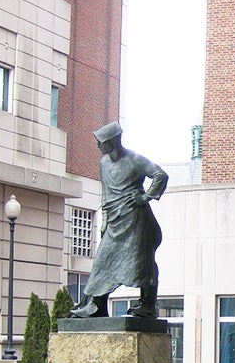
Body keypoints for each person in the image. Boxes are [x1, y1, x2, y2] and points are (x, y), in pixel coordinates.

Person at [71, 121, 169, 319]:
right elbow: (106, 194)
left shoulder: (134, 159)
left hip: (137, 221)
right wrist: (105, 220)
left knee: (143, 263)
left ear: (113, 141)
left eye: (101, 142)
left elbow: (160, 175)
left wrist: (145, 196)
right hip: (115, 220)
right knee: (102, 261)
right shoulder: (103, 163)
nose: (98, 146)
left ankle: (147, 305)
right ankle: (96, 306)